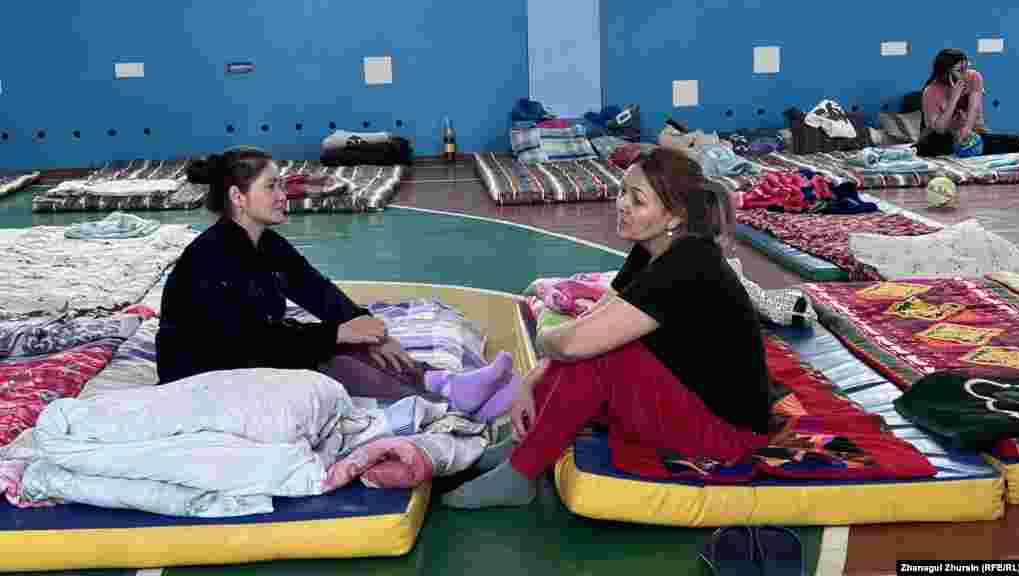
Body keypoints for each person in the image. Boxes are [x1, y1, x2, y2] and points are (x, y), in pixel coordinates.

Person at [442, 147, 783, 509]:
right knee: (591, 342)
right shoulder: (651, 249)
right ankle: (520, 448)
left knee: (603, 354)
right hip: (686, 395)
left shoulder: (689, 264)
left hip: (726, 435)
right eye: (622, 192)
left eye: (637, 200)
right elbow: (589, 323)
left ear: (674, 216)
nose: (621, 204)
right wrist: (532, 379)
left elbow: (574, 344)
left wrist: (544, 343)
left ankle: (522, 472)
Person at [156, 146, 520, 422]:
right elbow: (246, 343)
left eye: (282, 184)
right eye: (271, 187)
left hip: (249, 349)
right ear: (238, 197)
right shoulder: (211, 258)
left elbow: (316, 290)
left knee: (353, 342)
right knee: (328, 360)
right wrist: (335, 335)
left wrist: (372, 330)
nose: (284, 195)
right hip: (203, 371)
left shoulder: (263, 241)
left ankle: (446, 383)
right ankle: (447, 406)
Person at [917, 48, 1019, 157]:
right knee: (928, 145)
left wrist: (966, 129)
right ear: (945, 71)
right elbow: (939, 129)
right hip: (945, 136)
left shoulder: (974, 77)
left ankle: (970, 149)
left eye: (966, 68)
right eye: (959, 70)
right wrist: (954, 98)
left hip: (972, 133)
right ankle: (969, 150)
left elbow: (974, 110)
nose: (965, 74)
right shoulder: (930, 91)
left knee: (1016, 141)